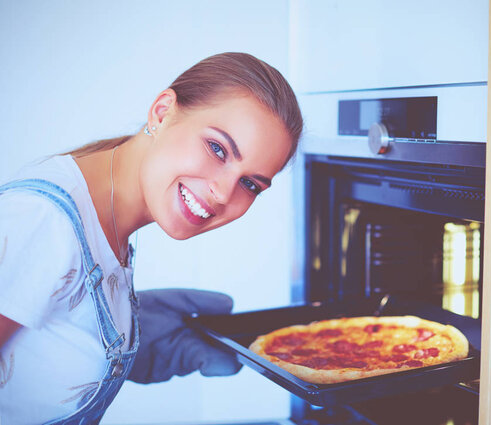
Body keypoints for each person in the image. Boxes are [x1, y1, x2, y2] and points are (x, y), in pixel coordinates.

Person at [0, 52, 303, 424]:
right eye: (217, 148)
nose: (224, 193)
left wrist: (95, 330)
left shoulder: (106, 219)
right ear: (162, 112)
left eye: (250, 184)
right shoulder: (42, 219)